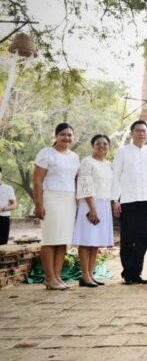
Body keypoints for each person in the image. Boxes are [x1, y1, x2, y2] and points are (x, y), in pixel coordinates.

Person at [33, 123, 80, 290]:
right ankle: (49, 277)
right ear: (56, 135)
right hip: (51, 199)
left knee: (62, 240)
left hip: (69, 200)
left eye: (69, 135)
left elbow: (76, 180)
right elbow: (37, 180)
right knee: (50, 239)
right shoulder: (46, 153)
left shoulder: (74, 157)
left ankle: (57, 277)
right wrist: (39, 204)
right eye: (63, 134)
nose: (66, 138)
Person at [111, 120, 147, 285]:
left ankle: (137, 272)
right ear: (132, 133)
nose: (141, 134)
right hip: (127, 200)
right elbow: (116, 176)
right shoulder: (122, 152)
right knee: (127, 238)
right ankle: (127, 273)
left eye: (144, 131)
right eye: (138, 131)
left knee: (142, 239)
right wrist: (115, 200)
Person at [72, 134, 115, 287]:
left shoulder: (109, 164)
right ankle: (84, 275)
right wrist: (92, 208)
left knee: (95, 241)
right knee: (86, 240)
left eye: (105, 143)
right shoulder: (87, 162)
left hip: (104, 204)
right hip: (90, 203)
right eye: (98, 143)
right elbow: (84, 185)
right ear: (93, 146)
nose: (102, 146)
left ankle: (91, 274)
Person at [0, 166, 17, 245]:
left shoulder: (8, 188)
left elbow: (14, 204)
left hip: (4, 219)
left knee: (2, 245)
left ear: (1, 175)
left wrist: (3, 209)